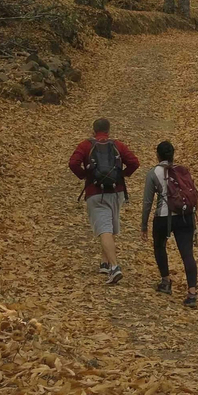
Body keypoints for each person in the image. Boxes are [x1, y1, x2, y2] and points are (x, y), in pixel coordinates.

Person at [68, 118, 139, 284]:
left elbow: (73, 163)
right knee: (109, 227)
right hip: (116, 192)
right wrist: (122, 175)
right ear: (109, 130)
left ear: (93, 130)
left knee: (104, 228)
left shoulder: (85, 145)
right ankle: (105, 263)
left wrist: (85, 175)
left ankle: (114, 267)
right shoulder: (117, 145)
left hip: (95, 192)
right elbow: (134, 162)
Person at [141, 141, 198, 308]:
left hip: (163, 217)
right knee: (187, 253)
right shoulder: (182, 171)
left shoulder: (153, 173)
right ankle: (192, 292)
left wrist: (144, 225)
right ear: (173, 155)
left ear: (157, 155)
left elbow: (147, 202)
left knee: (159, 246)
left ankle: (165, 281)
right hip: (184, 215)